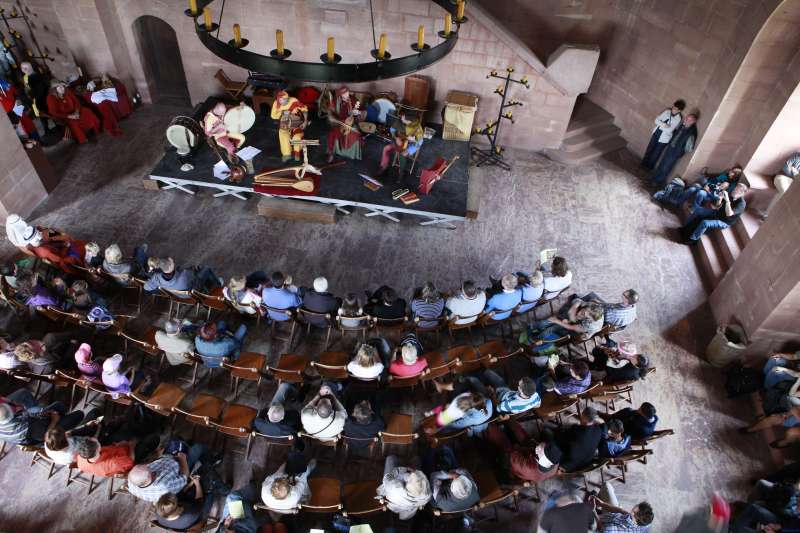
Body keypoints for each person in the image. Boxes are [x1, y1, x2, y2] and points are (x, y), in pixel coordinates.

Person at [0, 387, 87, 445]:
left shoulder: (6, 420)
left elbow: (26, 416)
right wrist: (54, 420)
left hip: (36, 423)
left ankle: (63, 421)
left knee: (58, 405)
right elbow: (46, 437)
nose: (15, 409)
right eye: (13, 409)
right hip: (44, 435)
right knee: (79, 414)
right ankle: (62, 428)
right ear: (12, 416)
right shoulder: (24, 428)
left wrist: (41, 414)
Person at [485, 420, 563, 484]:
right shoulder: (555, 461)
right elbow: (533, 448)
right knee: (523, 436)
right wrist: (528, 447)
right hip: (529, 457)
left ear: (540, 458)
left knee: (506, 446)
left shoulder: (526, 467)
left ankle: (489, 425)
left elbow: (512, 454)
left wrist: (519, 448)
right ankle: (508, 418)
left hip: (513, 463)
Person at [682, 182, 749, 244]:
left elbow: (729, 214)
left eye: (736, 190)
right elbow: (718, 205)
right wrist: (720, 198)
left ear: (741, 193)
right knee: (698, 211)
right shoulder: (731, 194)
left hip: (725, 221)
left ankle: (693, 240)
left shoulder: (742, 204)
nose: (734, 190)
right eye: (735, 188)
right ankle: (684, 227)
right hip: (717, 213)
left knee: (705, 223)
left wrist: (727, 200)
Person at [127, 448, 195, 502]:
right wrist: (182, 459)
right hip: (181, 466)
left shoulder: (132, 481)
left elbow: (151, 463)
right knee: (198, 448)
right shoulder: (164, 486)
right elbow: (184, 477)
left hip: (166, 457)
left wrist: (157, 457)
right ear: (149, 479)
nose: (149, 466)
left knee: (176, 441)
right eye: (148, 468)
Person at [376, 455, 432, 520]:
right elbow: (418, 477)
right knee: (417, 459)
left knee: (390, 459)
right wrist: (412, 472)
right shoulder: (427, 496)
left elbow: (388, 476)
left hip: (394, 484)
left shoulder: (393, 487)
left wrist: (404, 469)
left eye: (410, 479)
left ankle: (402, 461)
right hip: (403, 497)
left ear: (407, 484)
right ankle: (409, 461)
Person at [553, 406, 606, 472]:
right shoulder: (598, 430)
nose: (580, 415)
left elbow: (561, 439)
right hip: (587, 462)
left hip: (570, 463)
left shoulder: (576, 430)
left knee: (547, 432)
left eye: (582, 414)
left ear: (584, 417)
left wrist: (558, 431)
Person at [46, 80, 100, 144]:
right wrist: (69, 116)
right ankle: (83, 138)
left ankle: (95, 128)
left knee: (87, 111)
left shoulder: (67, 91)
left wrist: (76, 112)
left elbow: (76, 101)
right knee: (74, 122)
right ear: (54, 89)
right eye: (59, 87)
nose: (62, 88)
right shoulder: (50, 98)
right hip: (65, 116)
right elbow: (54, 112)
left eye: (63, 86)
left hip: (75, 111)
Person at [650, 113, 698, 185]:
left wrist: (680, 151)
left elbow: (689, 148)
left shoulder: (692, 132)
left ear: (693, 122)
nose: (685, 120)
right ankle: (654, 178)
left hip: (675, 152)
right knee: (662, 163)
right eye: (686, 118)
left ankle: (657, 181)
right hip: (671, 147)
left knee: (666, 167)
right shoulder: (683, 126)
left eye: (688, 119)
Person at [377, 108, 424, 179]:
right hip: (400, 140)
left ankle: (401, 173)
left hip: (413, 144)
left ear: (409, 121)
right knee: (386, 149)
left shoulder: (417, 127)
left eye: (404, 118)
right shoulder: (400, 121)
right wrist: (396, 138)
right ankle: (383, 167)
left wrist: (414, 140)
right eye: (402, 117)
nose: (401, 118)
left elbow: (420, 142)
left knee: (403, 154)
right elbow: (392, 129)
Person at [590, 481, 655, 532]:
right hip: (613, 517)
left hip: (602, 526)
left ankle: (595, 511)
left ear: (635, 516)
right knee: (607, 485)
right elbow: (622, 511)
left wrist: (593, 511)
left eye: (636, 508)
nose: (636, 505)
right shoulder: (645, 523)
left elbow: (601, 529)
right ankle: (598, 505)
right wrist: (602, 503)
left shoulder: (611, 530)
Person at [641, 99, 685, 170]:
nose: (673, 109)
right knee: (649, 149)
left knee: (656, 154)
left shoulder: (678, 118)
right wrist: (664, 124)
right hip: (656, 133)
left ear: (679, 110)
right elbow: (656, 120)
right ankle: (643, 163)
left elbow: (670, 130)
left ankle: (649, 167)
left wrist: (660, 123)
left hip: (664, 139)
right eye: (673, 107)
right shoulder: (667, 111)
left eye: (675, 109)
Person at [326, 86, 363, 162]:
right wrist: (332, 118)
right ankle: (331, 153)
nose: (347, 94)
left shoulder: (353, 99)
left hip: (351, 123)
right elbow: (330, 112)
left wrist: (358, 113)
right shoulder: (335, 101)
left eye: (348, 92)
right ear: (340, 94)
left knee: (356, 134)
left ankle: (353, 154)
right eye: (345, 93)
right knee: (333, 134)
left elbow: (362, 111)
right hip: (339, 122)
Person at [270, 90, 308, 162]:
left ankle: (297, 153)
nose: (282, 102)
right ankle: (287, 154)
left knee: (297, 137)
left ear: (288, 98)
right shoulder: (276, 104)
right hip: (284, 123)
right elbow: (273, 116)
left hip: (295, 122)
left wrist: (305, 121)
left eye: (284, 100)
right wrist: (282, 113)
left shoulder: (294, 100)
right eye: (280, 100)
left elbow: (304, 109)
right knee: (283, 136)